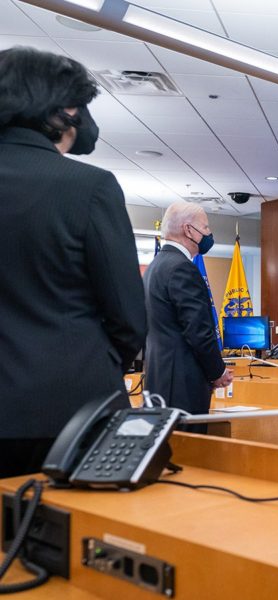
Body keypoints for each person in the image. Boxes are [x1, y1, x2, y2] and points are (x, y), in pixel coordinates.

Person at [0, 47, 147, 478]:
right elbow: (128, 318)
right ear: (65, 110)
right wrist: (93, 363)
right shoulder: (90, 187)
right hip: (68, 412)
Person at [144, 202, 233, 418]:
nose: (209, 233)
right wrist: (217, 372)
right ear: (188, 230)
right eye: (205, 228)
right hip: (182, 384)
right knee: (191, 450)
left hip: (160, 378)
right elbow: (198, 331)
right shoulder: (182, 268)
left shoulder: (154, 267)